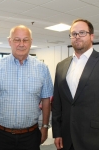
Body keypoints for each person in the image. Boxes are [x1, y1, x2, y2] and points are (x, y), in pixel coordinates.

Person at [0, 25, 53, 150]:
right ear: (10, 41)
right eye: (17, 40)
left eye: (25, 40)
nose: (21, 44)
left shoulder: (42, 68)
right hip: (1, 134)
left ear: (31, 42)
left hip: (31, 136)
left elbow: (46, 100)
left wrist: (45, 127)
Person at [52, 18, 99, 150]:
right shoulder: (61, 66)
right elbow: (57, 104)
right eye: (74, 33)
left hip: (94, 137)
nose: (77, 36)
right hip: (67, 137)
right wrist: (57, 132)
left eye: (82, 33)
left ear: (91, 36)